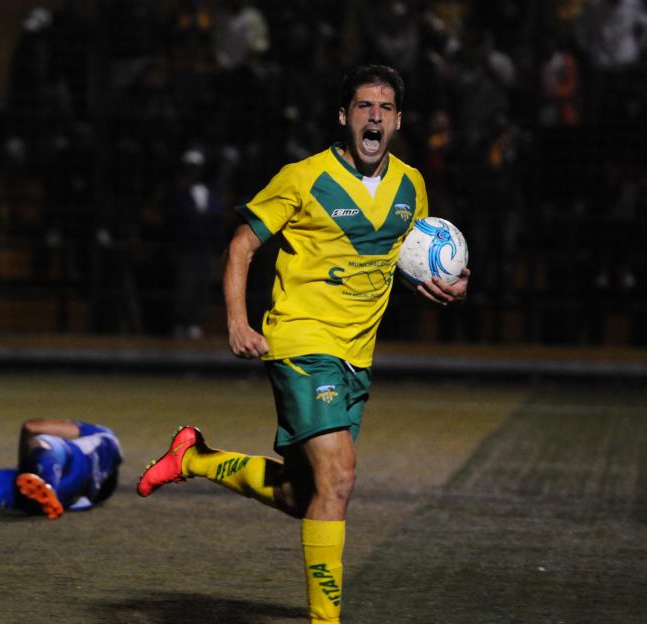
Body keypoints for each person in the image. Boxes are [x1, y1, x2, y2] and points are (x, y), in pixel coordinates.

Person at [137, 65, 470, 623]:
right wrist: (238, 322)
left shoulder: (411, 186)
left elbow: (400, 260)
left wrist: (443, 283)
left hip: (355, 358)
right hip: (300, 342)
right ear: (344, 116)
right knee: (339, 477)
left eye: (385, 109)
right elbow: (241, 245)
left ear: (398, 121)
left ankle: (194, 457)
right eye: (364, 106)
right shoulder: (303, 177)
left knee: (304, 495)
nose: (374, 117)